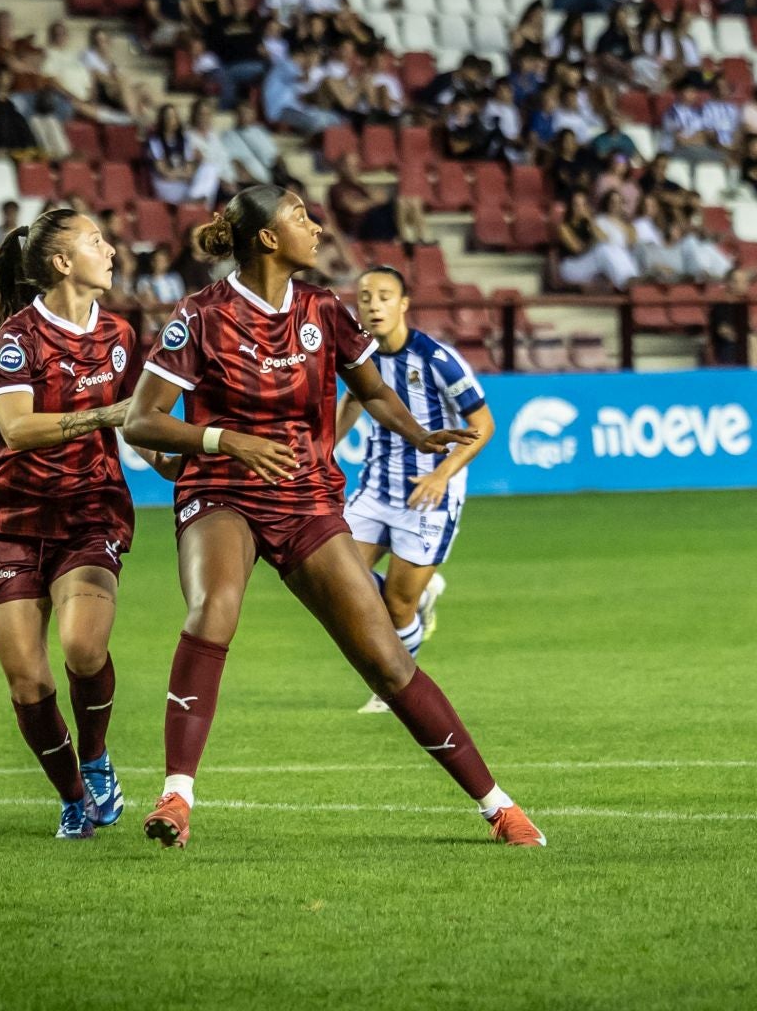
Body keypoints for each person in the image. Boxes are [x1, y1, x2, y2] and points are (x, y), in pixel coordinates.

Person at [121, 185, 543, 849]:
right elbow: (141, 419)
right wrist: (223, 441)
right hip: (222, 490)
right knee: (214, 611)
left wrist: (419, 435)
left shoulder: (324, 309)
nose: (315, 228)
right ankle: (177, 796)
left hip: (307, 497)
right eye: (300, 218)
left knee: (384, 658)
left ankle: (499, 807)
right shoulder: (199, 316)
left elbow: (371, 389)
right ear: (266, 238)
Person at [0, 209, 141, 838]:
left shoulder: (121, 334)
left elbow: (141, 427)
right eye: (98, 240)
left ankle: (94, 758)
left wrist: (187, 455)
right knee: (27, 679)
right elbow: (16, 427)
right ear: (63, 263)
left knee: (84, 648)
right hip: (10, 518)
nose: (112, 249)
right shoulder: (20, 337)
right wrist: (109, 415)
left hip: (89, 511)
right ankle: (73, 800)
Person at [334, 266, 496, 713]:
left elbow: (483, 426)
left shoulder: (436, 359)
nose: (374, 305)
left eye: (385, 296)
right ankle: (416, 601)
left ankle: (394, 688)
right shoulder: (359, 354)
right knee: (333, 576)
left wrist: (441, 475)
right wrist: (320, 450)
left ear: (404, 304)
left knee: (398, 606)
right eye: (365, 297)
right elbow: (351, 399)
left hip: (429, 497)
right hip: (375, 487)